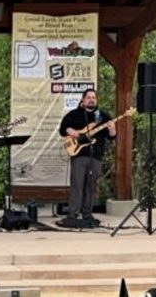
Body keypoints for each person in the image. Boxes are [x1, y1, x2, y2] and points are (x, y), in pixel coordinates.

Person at [58, 88, 116, 228]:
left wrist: (112, 129)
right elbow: (63, 128)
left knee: (91, 186)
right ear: (83, 100)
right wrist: (71, 131)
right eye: (88, 97)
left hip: (95, 155)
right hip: (79, 154)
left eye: (93, 98)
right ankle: (73, 215)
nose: (91, 100)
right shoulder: (74, 114)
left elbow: (112, 137)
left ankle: (87, 214)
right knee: (77, 185)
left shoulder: (103, 116)